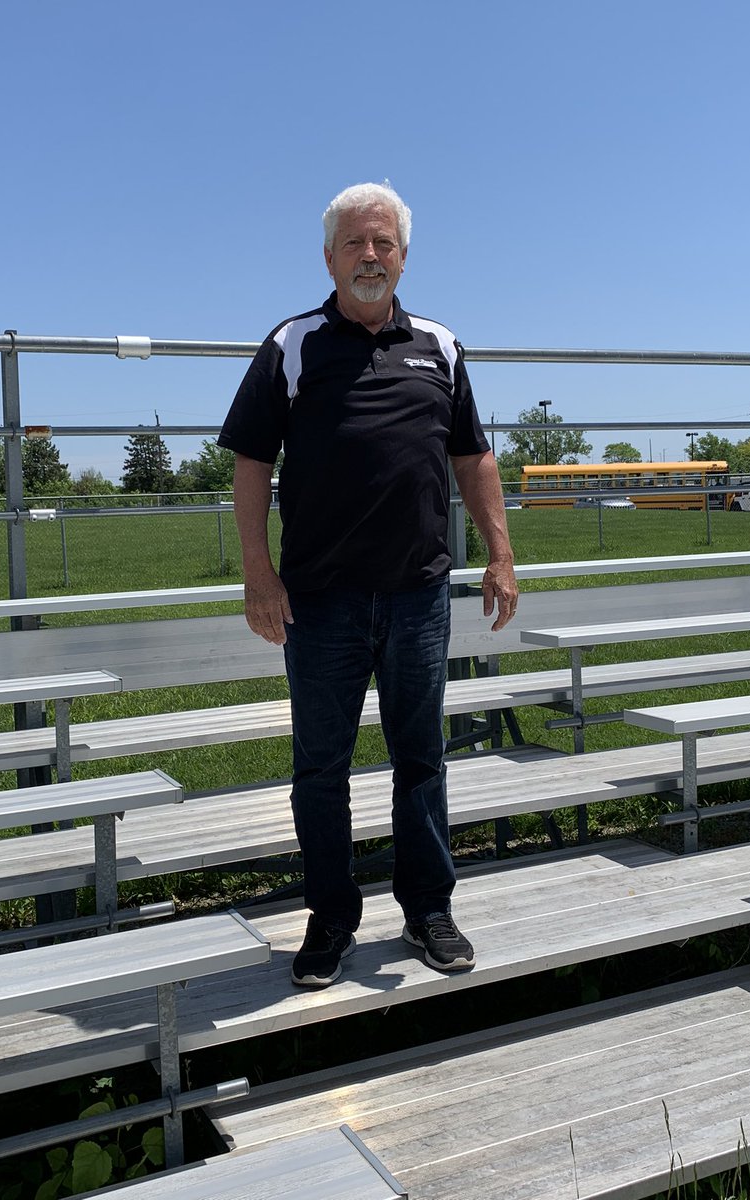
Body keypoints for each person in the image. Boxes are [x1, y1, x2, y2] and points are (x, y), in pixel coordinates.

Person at [218, 182, 518, 988]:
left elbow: (473, 457)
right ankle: (330, 918)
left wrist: (499, 552)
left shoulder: (440, 346)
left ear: (404, 257)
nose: (370, 256)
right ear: (329, 258)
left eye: (383, 243)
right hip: (321, 602)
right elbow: (251, 462)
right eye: (354, 243)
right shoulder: (292, 345)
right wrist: (257, 573)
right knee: (322, 768)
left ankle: (429, 911)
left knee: (422, 759)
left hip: (419, 596)